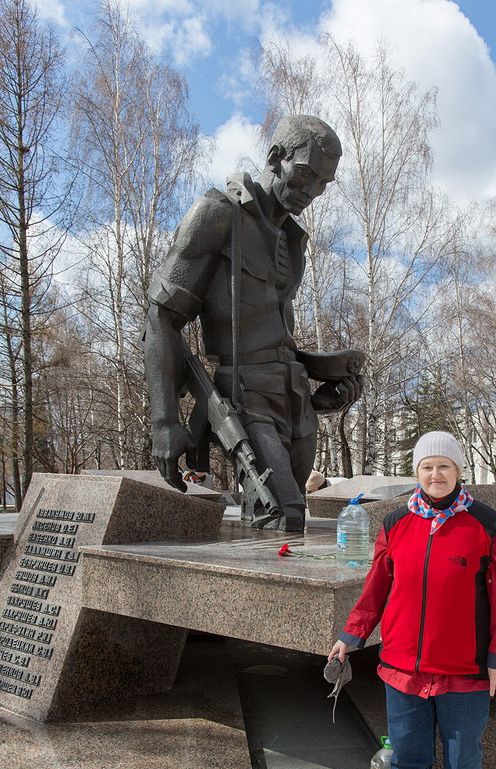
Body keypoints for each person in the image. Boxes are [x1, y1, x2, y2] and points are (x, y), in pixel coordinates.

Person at [142, 115, 362, 531]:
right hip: (245, 399)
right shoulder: (217, 214)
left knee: (280, 522)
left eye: (322, 184)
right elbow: (161, 319)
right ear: (276, 157)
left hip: (295, 402)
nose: (311, 192)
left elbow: (276, 338)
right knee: (285, 513)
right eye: (304, 175)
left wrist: (323, 387)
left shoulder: (292, 241)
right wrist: (164, 421)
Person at [327, 431, 496, 769]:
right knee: (409, 755)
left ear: (458, 472)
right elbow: (377, 586)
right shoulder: (396, 523)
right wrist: (352, 634)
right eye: (427, 467)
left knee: (462, 758)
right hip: (403, 667)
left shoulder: (486, 523)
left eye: (445, 467)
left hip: (465, 670)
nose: (436, 475)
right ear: (417, 473)